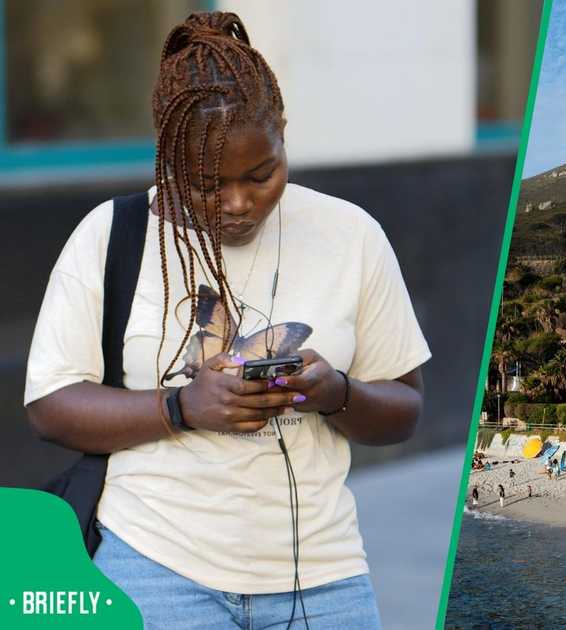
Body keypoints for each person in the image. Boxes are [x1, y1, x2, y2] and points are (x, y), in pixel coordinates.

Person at [24, 12, 428, 629]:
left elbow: (404, 409)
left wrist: (334, 392)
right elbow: (49, 407)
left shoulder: (353, 235)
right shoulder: (109, 236)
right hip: (151, 569)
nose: (237, 204)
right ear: (167, 158)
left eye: (261, 175)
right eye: (205, 184)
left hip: (322, 580)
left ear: (283, 136)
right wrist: (182, 407)